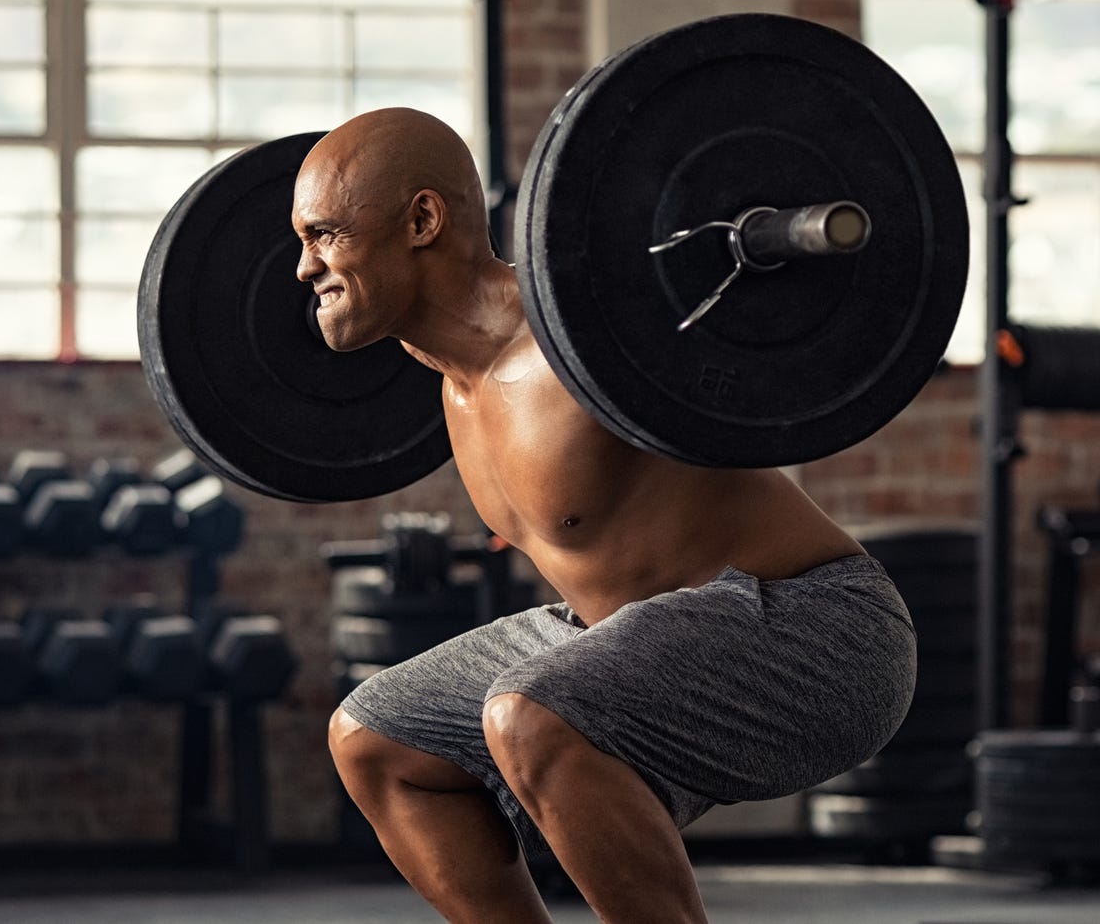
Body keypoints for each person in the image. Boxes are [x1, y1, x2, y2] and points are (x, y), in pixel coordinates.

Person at [292, 107, 916, 924]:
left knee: (531, 714)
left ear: (421, 220)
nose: (305, 269)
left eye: (324, 235)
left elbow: (724, 334)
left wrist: (777, 246)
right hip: (624, 633)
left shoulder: (586, 334)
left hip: (819, 629)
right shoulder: (452, 384)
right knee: (374, 739)